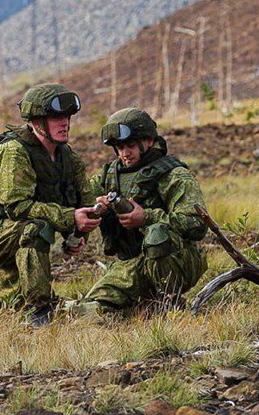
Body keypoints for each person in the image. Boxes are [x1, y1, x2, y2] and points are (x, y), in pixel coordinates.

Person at [0, 83, 99, 325]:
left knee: (4, 305)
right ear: (37, 122)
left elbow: (85, 201)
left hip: (17, 233)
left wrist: (79, 232)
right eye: (56, 117)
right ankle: (39, 312)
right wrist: (70, 217)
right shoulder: (14, 152)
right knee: (36, 228)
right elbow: (18, 207)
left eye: (67, 117)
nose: (65, 123)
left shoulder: (67, 157)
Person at [76, 108, 207, 312]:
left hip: (179, 261)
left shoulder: (174, 175)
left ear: (149, 141)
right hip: (131, 263)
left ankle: (170, 303)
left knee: (157, 233)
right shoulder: (109, 176)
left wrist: (146, 217)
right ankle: (145, 304)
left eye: (130, 146)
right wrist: (95, 210)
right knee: (93, 309)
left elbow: (196, 225)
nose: (125, 154)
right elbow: (80, 203)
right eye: (119, 148)